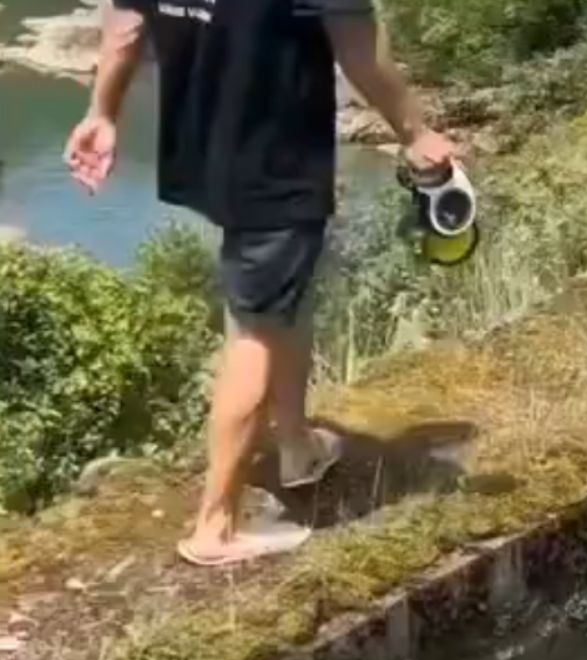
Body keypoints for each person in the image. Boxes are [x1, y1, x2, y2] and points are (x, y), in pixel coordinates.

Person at [65, 0, 456, 566]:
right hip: (275, 165)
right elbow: (360, 53)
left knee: (278, 300)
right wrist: (416, 133)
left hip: (200, 152)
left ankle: (296, 446)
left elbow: (125, 24)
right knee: (254, 334)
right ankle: (214, 527)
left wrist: (103, 112)